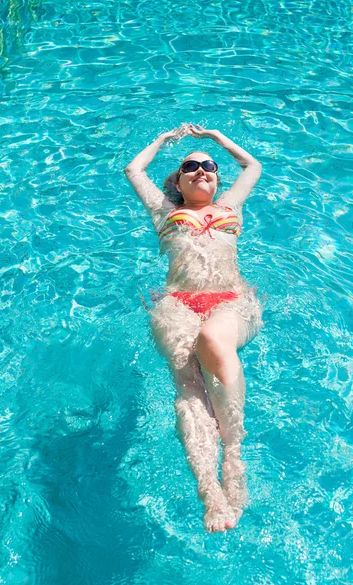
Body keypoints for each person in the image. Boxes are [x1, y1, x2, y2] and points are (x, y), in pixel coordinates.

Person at [124, 124, 263, 533]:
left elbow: (252, 165)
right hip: (178, 304)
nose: (202, 170)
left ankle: (234, 456)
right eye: (191, 167)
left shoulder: (231, 207)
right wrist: (164, 140)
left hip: (230, 300)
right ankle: (209, 491)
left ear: (218, 180)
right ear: (179, 182)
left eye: (209, 167)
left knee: (214, 340)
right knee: (189, 390)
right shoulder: (164, 212)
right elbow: (134, 170)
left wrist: (218, 138)